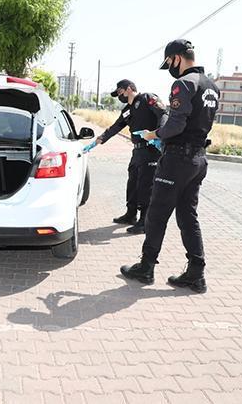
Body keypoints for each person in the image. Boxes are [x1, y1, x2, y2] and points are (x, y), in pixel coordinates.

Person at [120, 39, 220, 293]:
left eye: (169, 63)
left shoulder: (184, 84)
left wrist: (153, 135)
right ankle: (196, 273)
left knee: (157, 213)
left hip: (177, 159)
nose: (170, 70)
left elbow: (175, 124)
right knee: (188, 215)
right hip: (198, 159)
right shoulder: (212, 87)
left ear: (176, 58)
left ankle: (146, 267)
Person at [96, 79, 168, 234]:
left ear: (128, 89)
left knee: (145, 185)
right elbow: (117, 126)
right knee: (133, 183)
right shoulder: (127, 110)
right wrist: (101, 138)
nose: (119, 96)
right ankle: (131, 214)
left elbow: (163, 113)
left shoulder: (147, 98)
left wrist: (160, 133)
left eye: (120, 92)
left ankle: (144, 221)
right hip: (137, 151)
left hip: (151, 150)